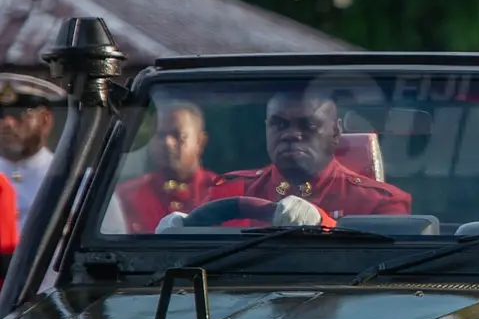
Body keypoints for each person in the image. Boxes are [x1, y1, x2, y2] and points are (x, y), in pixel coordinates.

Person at [201, 93, 412, 224]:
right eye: (279, 124)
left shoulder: (379, 203)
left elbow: (385, 279)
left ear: (336, 133)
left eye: (308, 125)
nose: (291, 134)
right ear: (267, 129)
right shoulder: (228, 191)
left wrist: (324, 224)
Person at [115, 104, 221, 234]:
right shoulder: (126, 196)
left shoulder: (224, 192)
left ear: (200, 141)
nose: (167, 143)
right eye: (160, 135)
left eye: (177, 135)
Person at [0, 73, 61, 233]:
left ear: (45, 120)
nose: (7, 123)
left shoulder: (77, 180)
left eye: (18, 114)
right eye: (0, 115)